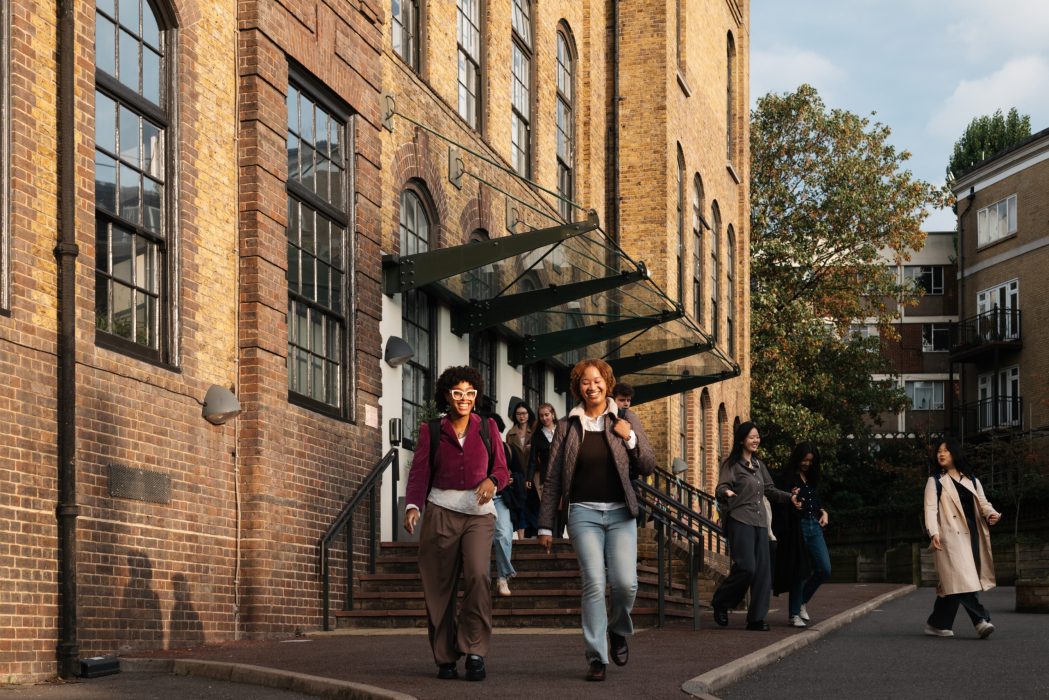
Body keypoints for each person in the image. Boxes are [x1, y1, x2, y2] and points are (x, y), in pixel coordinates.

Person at [537, 359, 656, 682]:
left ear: (608, 383)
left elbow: (648, 464)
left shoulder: (625, 418)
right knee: (593, 581)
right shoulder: (566, 426)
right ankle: (596, 656)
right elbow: (552, 479)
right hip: (583, 514)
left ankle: (617, 629)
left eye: (598, 381)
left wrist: (629, 437)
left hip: (620, 513)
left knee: (625, 584)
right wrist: (546, 525)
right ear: (578, 387)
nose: (593, 387)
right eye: (586, 382)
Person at [403, 366, 510, 682]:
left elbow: (502, 470)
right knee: (439, 587)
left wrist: (492, 480)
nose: (464, 399)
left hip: (479, 516)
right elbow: (420, 472)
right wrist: (412, 506)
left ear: (476, 396)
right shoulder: (431, 430)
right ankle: (445, 656)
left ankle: (475, 651)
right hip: (440, 513)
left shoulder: (488, 428)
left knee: (478, 575)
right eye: (458, 393)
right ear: (447, 396)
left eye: (470, 393)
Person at [711, 421, 801, 631]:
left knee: (762, 572)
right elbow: (721, 486)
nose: (756, 440)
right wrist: (726, 492)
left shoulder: (759, 466)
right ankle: (721, 602)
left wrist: (791, 498)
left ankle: (756, 619)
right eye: (752, 437)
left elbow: (770, 490)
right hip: (740, 519)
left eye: (758, 436)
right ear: (742, 440)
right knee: (747, 568)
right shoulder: (731, 464)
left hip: (760, 522)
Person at [924, 437, 1000, 639]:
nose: (941, 454)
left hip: (972, 535)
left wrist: (991, 513)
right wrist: (934, 533)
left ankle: (937, 624)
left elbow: (983, 503)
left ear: (955, 453)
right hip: (949, 536)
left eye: (946, 450)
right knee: (963, 578)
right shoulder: (935, 481)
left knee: (955, 582)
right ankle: (981, 620)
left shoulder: (972, 479)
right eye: (939, 451)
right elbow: (930, 510)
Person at [772, 442, 831, 628]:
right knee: (799, 570)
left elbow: (815, 500)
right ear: (798, 457)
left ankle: (802, 601)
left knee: (824, 568)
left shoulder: (812, 477)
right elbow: (778, 499)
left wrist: (823, 511)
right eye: (805, 460)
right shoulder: (787, 477)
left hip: (814, 525)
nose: (807, 463)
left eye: (810, 461)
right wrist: (792, 501)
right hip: (796, 526)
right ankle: (794, 614)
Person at [506, 400, 538, 538]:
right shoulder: (511, 434)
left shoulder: (535, 431)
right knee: (520, 505)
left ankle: (536, 533)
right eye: (518, 414)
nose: (522, 416)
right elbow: (507, 455)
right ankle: (521, 539)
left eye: (524, 413)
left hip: (534, 474)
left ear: (528, 414)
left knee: (535, 505)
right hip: (518, 474)